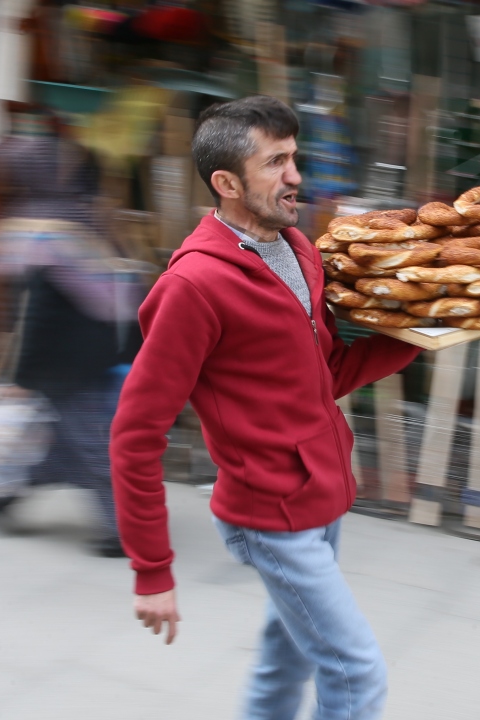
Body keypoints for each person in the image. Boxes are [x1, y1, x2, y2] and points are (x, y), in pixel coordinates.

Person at [110, 95, 420, 719]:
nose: (296, 177)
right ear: (226, 183)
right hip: (269, 513)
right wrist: (153, 570)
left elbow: (320, 375)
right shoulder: (194, 287)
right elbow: (134, 434)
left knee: (289, 660)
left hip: (321, 494)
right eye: (276, 162)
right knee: (355, 668)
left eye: (294, 158)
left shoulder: (298, 249)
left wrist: (416, 336)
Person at [0, 121, 144, 558]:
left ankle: (113, 529)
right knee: (75, 441)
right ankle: (10, 498)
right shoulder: (82, 214)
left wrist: (20, 374)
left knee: (83, 443)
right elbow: (127, 286)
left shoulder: (33, 227)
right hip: (93, 357)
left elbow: (35, 313)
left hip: (73, 362)